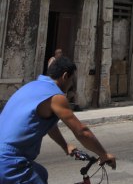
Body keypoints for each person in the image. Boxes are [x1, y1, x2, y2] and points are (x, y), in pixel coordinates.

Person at [0, 56, 116, 184]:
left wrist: (65, 146)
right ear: (65, 76)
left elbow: (49, 126)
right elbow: (82, 131)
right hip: (9, 160)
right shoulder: (56, 96)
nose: (71, 85)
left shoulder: (32, 86)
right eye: (72, 80)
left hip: (6, 157)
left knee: (41, 173)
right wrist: (104, 155)